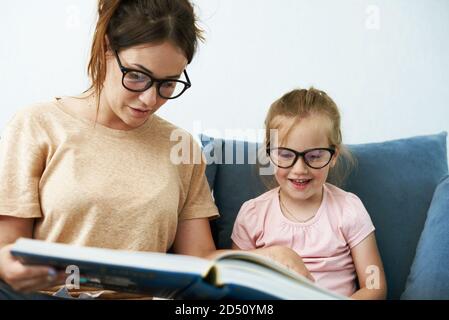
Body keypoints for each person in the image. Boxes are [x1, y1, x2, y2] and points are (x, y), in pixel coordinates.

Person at [0, 0, 309, 300]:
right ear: (107, 48)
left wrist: (271, 257)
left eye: (168, 83)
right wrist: (9, 266)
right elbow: (7, 247)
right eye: (136, 76)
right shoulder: (37, 125)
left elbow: (199, 259)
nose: (150, 99)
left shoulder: (181, 147)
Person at [231, 88, 387, 299]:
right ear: (269, 153)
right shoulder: (253, 214)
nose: (299, 169)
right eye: (285, 155)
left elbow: (375, 286)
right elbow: (235, 280)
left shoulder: (349, 210)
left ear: (333, 156)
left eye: (314, 156)